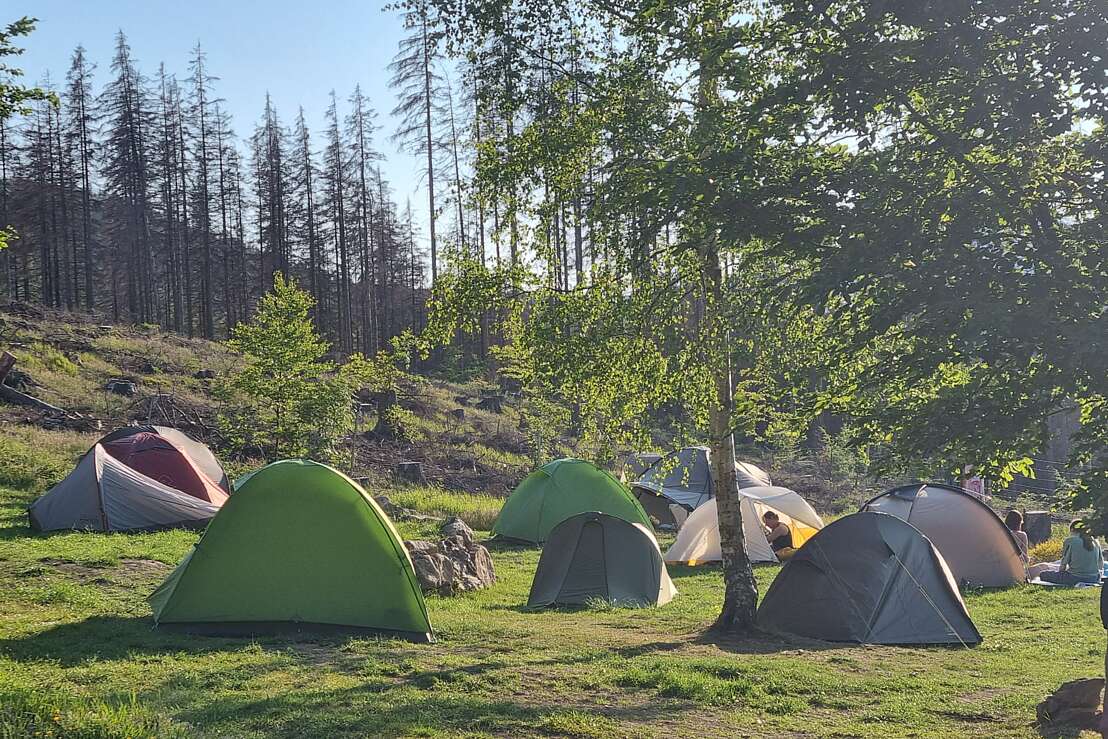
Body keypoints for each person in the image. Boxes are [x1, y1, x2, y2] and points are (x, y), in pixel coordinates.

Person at [1040, 521, 1104, 586]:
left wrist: (1060, 574)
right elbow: (1101, 562)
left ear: (1072, 530)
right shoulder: (1096, 541)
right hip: (1094, 578)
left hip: (1074, 578)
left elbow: (1063, 565)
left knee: (1043, 574)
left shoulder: (1070, 541)